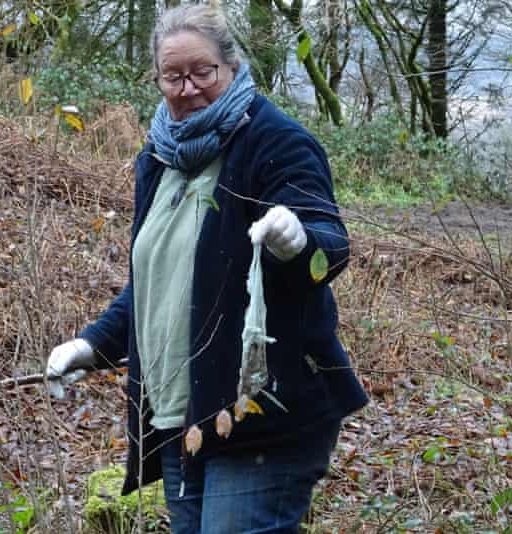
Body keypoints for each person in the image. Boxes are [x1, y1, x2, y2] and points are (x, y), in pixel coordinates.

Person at [46, 4, 368, 533]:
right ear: (157, 79)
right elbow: (161, 286)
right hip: (181, 415)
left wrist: (298, 240)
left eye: (203, 72)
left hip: (264, 414)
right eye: (173, 75)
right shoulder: (161, 156)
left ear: (233, 66)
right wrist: (93, 345)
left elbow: (329, 250)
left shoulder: (276, 142)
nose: (188, 87)